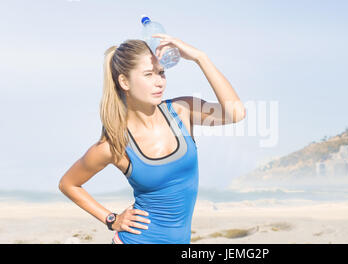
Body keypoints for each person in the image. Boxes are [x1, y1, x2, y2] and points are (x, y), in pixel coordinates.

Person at [58, 34, 246, 244]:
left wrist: (200, 58)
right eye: (148, 74)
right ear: (124, 82)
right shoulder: (114, 145)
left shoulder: (181, 111)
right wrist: (111, 219)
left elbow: (235, 113)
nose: (159, 82)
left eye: (161, 73)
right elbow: (69, 184)